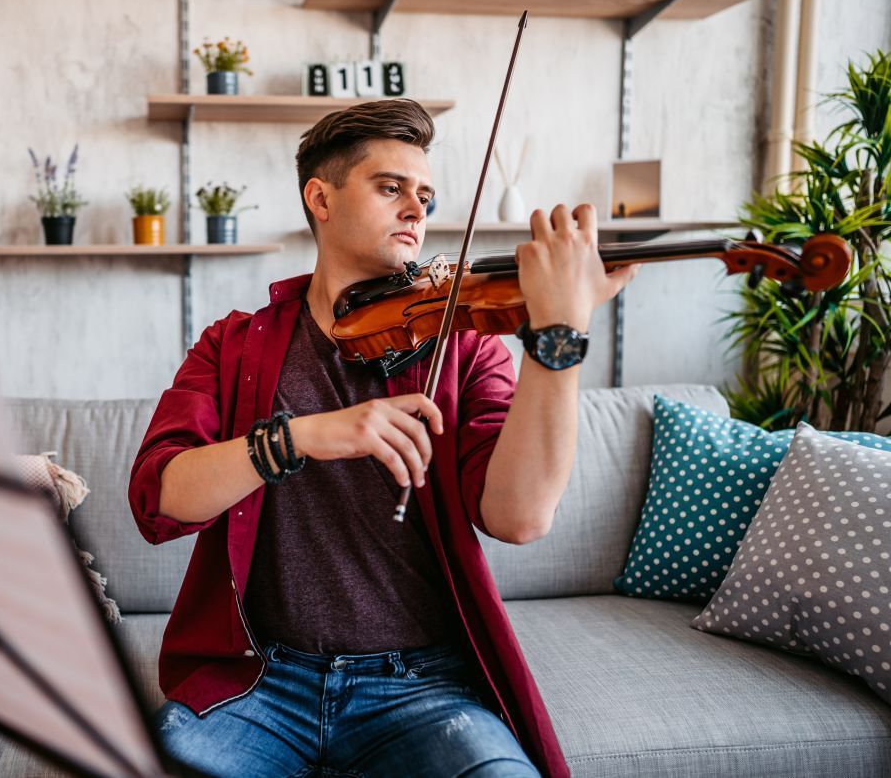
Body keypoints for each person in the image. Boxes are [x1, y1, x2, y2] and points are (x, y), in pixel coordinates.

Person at [128, 98, 639, 778]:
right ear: (321, 197)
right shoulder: (234, 344)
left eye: (424, 194)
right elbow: (159, 498)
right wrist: (301, 436)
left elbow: (520, 517)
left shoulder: (466, 344)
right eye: (390, 187)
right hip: (258, 682)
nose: (416, 209)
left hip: (422, 686)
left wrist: (557, 339)